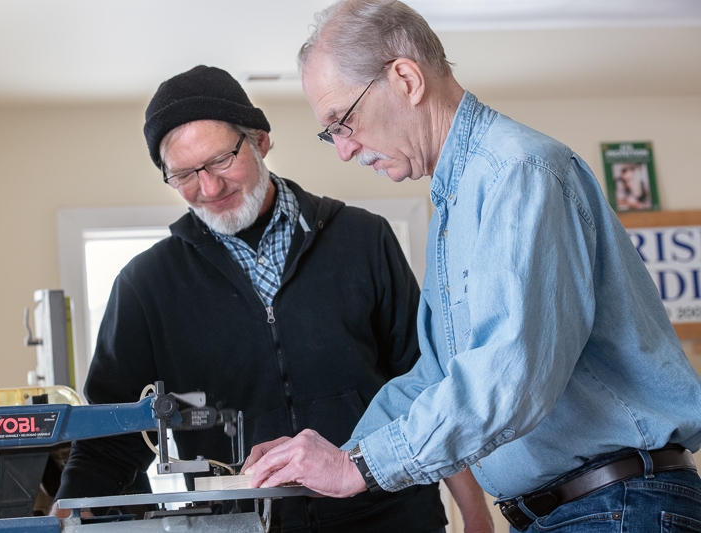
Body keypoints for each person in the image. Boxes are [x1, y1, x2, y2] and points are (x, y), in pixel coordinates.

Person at [243, 1, 701, 531]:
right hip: (568, 512)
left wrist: (360, 466)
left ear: (406, 79)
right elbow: (436, 377)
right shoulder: (454, 205)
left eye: (341, 122)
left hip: (614, 506)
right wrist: (328, 458)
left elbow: (511, 374)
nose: (344, 150)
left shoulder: (519, 173)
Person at [53, 65, 493, 532]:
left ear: (260, 141)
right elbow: (110, 439)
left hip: (392, 517)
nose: (209, 188)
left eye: (221, 160)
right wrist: (58, 521)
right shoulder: (145, 286)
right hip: (243, 526)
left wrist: (473, 511)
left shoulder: (364, 240)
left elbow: (426, 385)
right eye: (183, 174)